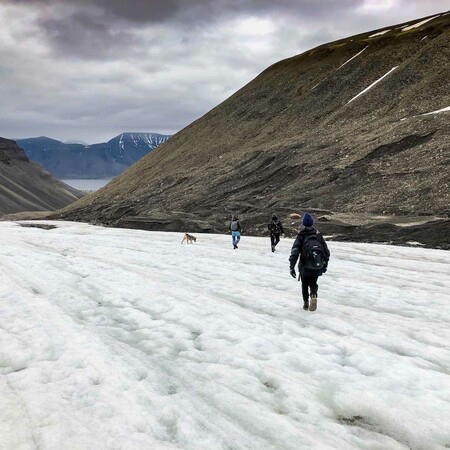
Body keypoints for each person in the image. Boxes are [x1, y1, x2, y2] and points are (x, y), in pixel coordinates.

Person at [289, 212, 330, 311]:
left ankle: (306, 303)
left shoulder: (301, 235)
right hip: (317, 265)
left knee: (304, 284)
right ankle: (313, 295)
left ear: (304, 223)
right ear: (312, 223)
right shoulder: (318, 235)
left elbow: (295, 252)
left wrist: (292, 267)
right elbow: (326, 252)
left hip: (305, 266)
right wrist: (324, 265)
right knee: (313, 282)